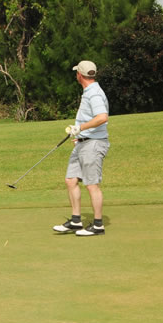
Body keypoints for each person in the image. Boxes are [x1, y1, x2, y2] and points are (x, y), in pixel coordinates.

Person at [53, 61, 110, 236]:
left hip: (93, 144)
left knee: (91, 184)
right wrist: (80, 134)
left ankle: (98, 225)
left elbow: (102, 117)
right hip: (83, 142)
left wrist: (81, 128)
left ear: (79, 75)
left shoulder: (94, 94)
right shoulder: (89, 92)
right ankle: (76, 221)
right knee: (71, 180)